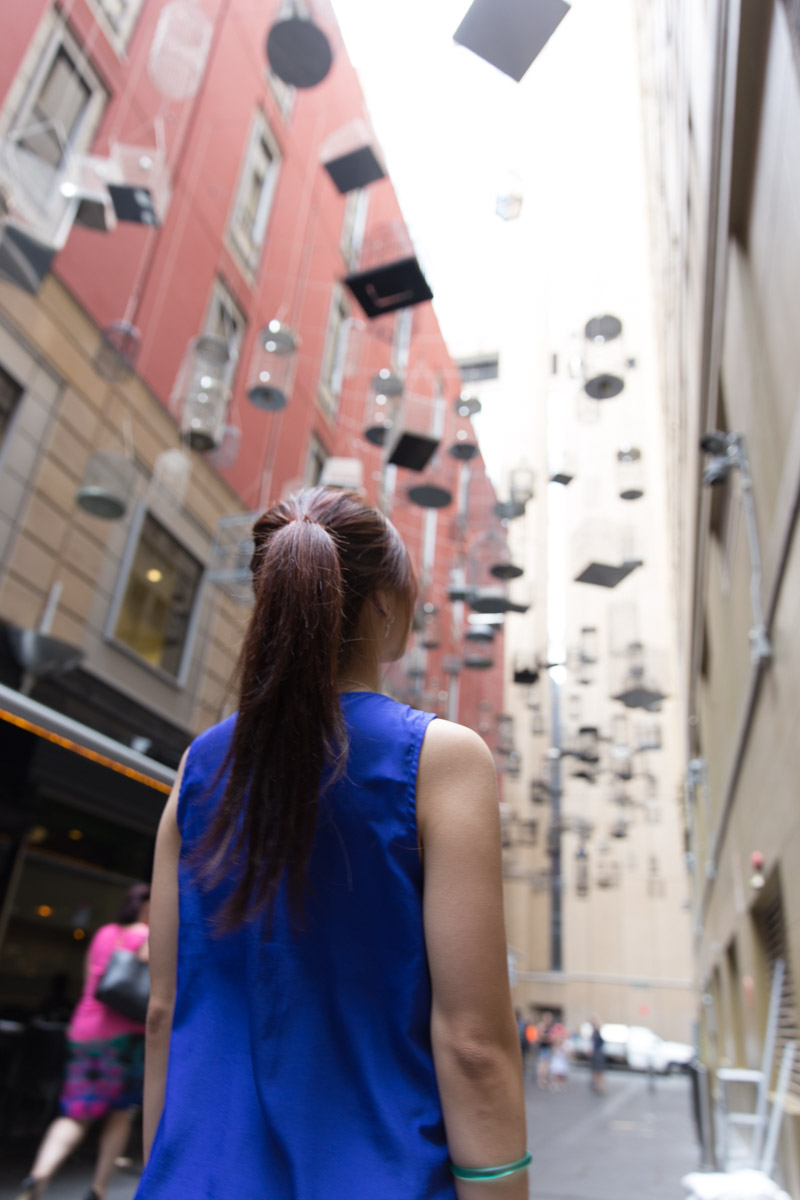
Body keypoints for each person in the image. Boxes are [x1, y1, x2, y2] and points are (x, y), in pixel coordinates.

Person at [136, 488, 529, 1199]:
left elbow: (164, 1009)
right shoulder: (443, 759)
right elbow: (474, 1046)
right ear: (386, 604)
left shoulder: (199, 764)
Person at [16, 883, 151, 1200]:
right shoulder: (145, 936)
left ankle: (38, 1177)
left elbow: (89, 978)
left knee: (75, 1113)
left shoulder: (104, 933)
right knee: (121, 1113)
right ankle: (98, 1190)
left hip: (83, 1030)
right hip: (123, 1038)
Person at [536, 1010, 554, 1090]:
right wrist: (550, 1038)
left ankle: (544, 1079)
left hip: (547, 1047)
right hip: (543, 1047)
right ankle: (541, 1080)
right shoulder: (542, 1025)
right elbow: (541, 1036)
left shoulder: (548, 1026)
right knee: (543, 1065)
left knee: (546, 1065)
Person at [590, 1018, 606, 1094]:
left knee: (598, 1070)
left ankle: (598, 1085)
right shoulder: (596, 1033)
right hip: (597, 1053)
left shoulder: (597, 1033)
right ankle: (598, 1085)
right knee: (598, 1070)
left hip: (598, 1053)